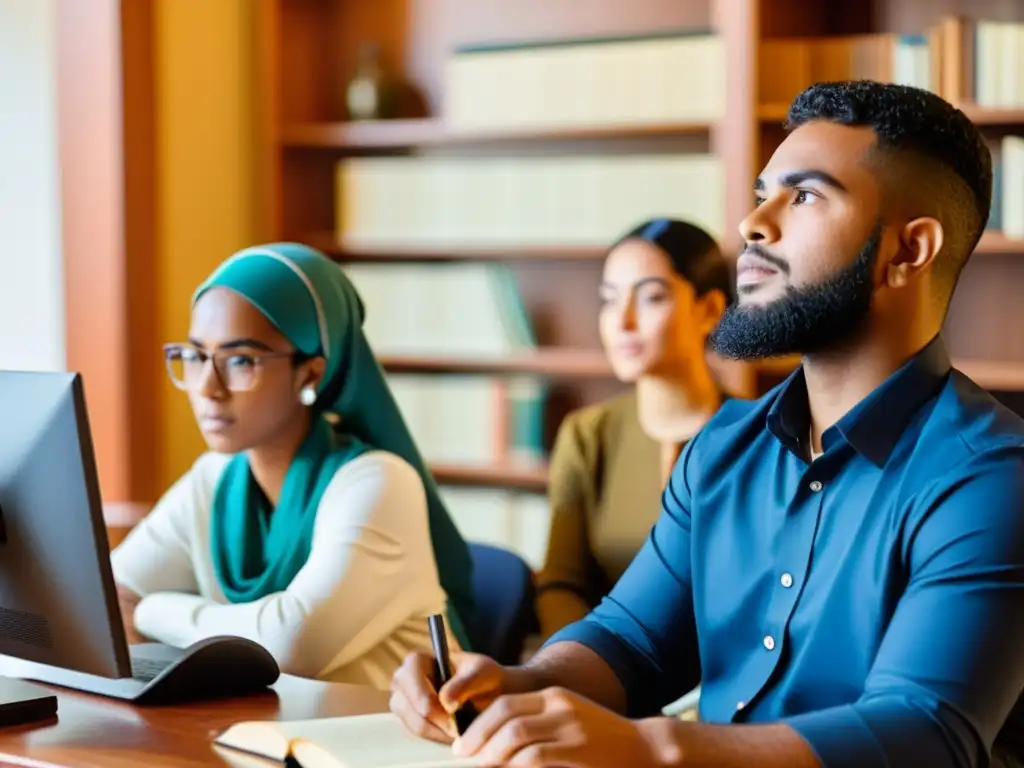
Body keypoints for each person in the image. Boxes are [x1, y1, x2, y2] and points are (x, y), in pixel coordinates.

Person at [388, 80, 1024, 767]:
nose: (754, 223)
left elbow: (926, 732)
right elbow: (632, 643)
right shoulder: (723, 447)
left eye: (804, 196)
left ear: (908, 251)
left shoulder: (990, 477)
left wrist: (654, 749)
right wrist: (518, 689)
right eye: (763, 193)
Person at [110, 242, 476, 690]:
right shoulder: (213, 479)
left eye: (240, 361)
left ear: (310, 373)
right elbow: (107, 601)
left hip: (384, 747)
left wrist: (151, 611)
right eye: (196, 356)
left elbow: (287, 646)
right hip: (265, 740)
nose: (207, 387)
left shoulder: (378, 482)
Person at [536, 218, 730, 641]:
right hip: (604, 675)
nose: (621, 321)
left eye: (651, 298)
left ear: (709, 310)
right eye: (608, 299)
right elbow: (559, 585)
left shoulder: (761, 436)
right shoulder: (588, 435)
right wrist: (582, 665)